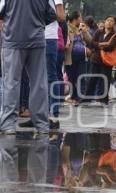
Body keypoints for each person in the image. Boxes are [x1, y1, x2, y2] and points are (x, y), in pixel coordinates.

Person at [0, 0, 57, 136]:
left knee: (11, 83)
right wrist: (37, 24)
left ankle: (8, 125)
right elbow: (52, 14)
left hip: (13, 40)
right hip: (36, 40)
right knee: (39, 84)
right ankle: (41, 125)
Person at [19, 0, 65, 130]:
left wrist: (38, 18)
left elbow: (61, 16)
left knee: (50, 77)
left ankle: (53, 116)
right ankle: (36, 116)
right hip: (33, 37)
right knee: (33, 78)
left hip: (49, 38)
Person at [81, 15, 116, 105]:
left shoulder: (115, 35)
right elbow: (91, 43)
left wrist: (98, 45)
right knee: (92, 80)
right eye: (107, 20)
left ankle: (104, 100)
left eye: (111, 21)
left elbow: (111, 47)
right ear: (105, 22)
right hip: (96, 59)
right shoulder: (99, 32)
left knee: (105, 81)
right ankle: (86, 99)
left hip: (107, 61)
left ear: (114, 24)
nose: (109, 22)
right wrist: (101, 45)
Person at [64, 11, 87, 106]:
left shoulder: (81, 29)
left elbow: (89, 40)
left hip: (81, 57)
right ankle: (74, 96)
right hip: (70, 57)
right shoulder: (66, 28)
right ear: (75, 19)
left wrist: (85, 32)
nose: (81, 20)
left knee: (81, 77)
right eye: (80, 18)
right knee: (72, 78)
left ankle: (80, 97)